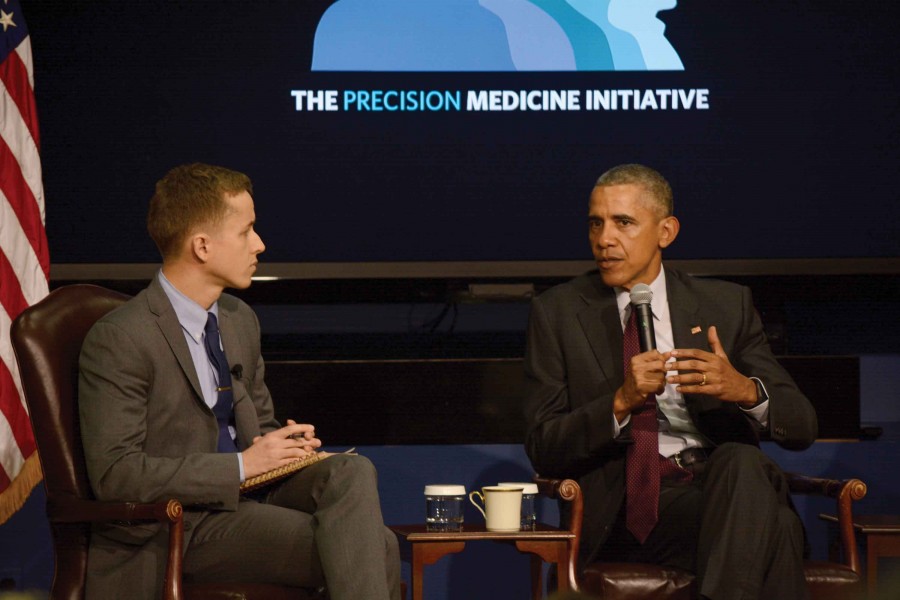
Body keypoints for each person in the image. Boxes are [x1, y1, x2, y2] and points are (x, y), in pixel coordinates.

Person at [78, 163, 401, 600]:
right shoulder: (123, 337)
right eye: (247, 231)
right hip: (178, 526)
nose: (261, 244)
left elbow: (259, 429)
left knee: (351, 470)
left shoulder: (237, 320)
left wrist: (286, 449)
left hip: (250, 500)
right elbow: (116, 474)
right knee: (374, 545)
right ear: (202, 246)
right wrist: (242, 465)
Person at [523, 164, 817, 599]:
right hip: (628, 508)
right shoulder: (559, 313)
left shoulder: (725, 304)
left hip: (719, 490)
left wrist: (744, 390)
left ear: (666, 231)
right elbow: (543, 445)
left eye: (623, 223)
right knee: (780, 526)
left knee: (740, 463)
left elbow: (803, 426)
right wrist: (620, 401)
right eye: (596, 223)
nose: (604, 239)